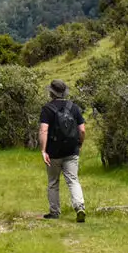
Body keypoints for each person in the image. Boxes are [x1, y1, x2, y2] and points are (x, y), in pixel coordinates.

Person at [39, 79, 86, 222]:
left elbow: (43, 130)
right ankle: (79, 207)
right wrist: (80, 143)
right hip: (72, 150)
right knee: (73, 180)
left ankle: (54, 212)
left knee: (53, 182)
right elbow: (82, 130)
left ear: (51, 93)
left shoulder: (47, 109)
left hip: (54, 152)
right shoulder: (74, 108)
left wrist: (43, 150)